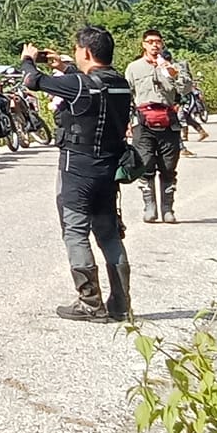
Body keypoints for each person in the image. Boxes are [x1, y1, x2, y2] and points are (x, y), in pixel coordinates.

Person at [20, 26, 133, 323]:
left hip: (77, 168)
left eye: (76, 50)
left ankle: (90, 303)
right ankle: (121, 303)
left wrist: (28, 59)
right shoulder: (122, 83)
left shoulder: (80, 85)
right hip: (110, 169)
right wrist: (64, 67)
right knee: (108, 233)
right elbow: (94, 85)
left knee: (75, 232)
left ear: (86, 52)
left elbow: (32, 80)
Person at [124, 28, 183, 224]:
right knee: (145, 164)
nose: (154, 45)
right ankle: (150, 207)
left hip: (168, 121)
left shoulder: (172, 67)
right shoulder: (134, 68)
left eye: (158, 41)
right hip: (144, 122)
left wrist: (171, 72)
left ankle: (168, 209)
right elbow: (127, 96)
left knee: (168, 166)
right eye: (150, 42)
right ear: (144, 44)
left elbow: (186, 88)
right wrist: (125, 123)